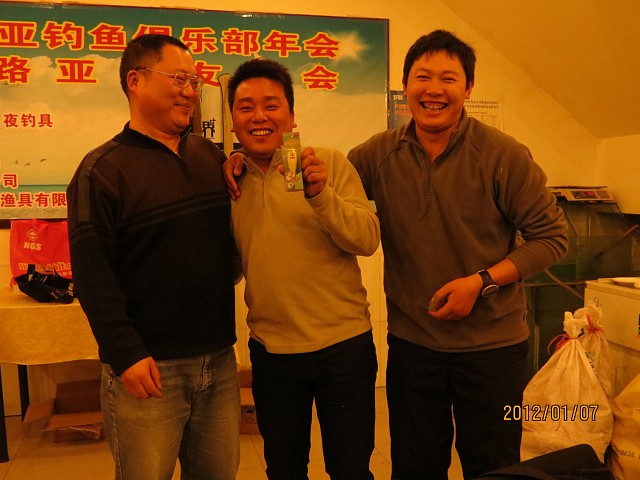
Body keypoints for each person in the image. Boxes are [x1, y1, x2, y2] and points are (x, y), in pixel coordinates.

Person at [347, 30, 569, 480]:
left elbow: (551, 238)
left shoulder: (503, 155)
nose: (434, 89)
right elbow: (322, 186)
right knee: (415, 466)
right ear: (405, 86)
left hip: (494, 350)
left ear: (468, 88)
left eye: (448, 78)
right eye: (422, 77)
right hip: (413, 347)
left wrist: (481, 282)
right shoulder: (376, 155)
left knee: (494, 467)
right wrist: (245, 163)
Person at [67, 34, 240, 480]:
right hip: (148, 370)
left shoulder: (210, 157)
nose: (190, 91)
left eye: (194, 81)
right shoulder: (101, 171)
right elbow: (92, 274)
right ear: (135, 81)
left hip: (219, 360)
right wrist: (125, 354)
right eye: (179, 79)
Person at [226, 58, 381, 480]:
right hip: (273, 353)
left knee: (350, 470)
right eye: (245, 107)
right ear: (234, 122)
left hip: (343, 347)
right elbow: (234, 265)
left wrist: (321, 194)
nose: (259, 116)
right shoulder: (230, 184)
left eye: (271, 105)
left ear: (292, 116)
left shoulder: (327, 163)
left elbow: (368, 239)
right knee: (284, 469)